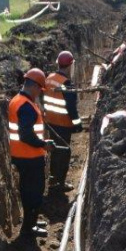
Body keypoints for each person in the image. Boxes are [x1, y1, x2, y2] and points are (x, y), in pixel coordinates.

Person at [8, 68, 53, 242]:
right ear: (33, 86)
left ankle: (31, 223)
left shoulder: (18, 101)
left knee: (30, 191)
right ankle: (28, 228)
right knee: (33, 193)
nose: (38, 94)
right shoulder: (25, 106)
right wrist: (44, 145)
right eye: (39, 90)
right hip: (29, 157)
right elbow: (25, 135)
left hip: (23, 156)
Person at [42, 51, 83, 194]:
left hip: (51, 122)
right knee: (65, 152)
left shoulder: (49, 78)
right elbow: (71, 108)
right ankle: (59, 183)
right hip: (63, 124)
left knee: (55, 150)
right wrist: (77, 124)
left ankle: (53, 180)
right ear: (71, 65)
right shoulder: (66, 83)